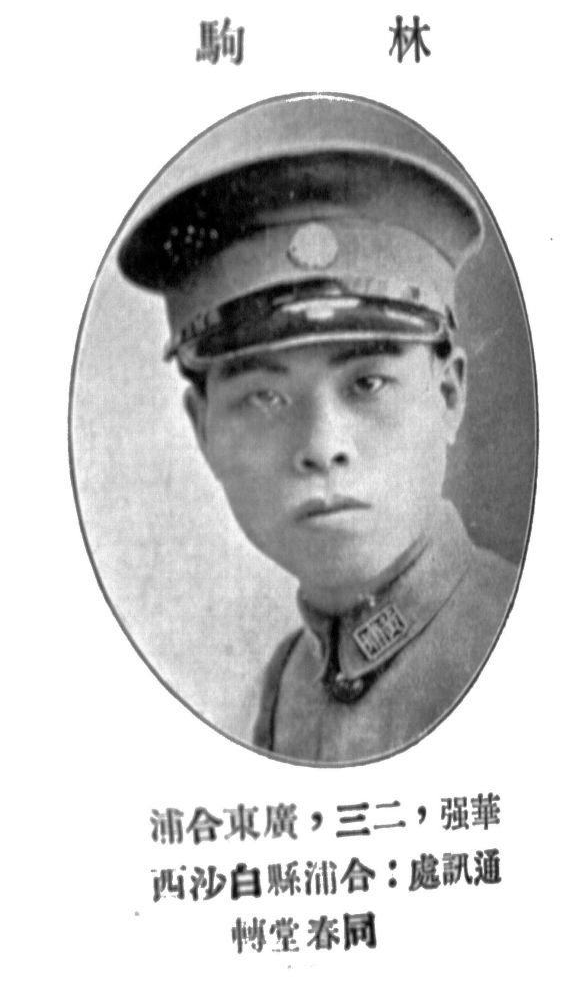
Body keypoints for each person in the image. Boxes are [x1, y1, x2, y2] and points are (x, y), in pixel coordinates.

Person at [118, 98, 519, 764]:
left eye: (368, 383)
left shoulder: (534, 637)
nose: (322, 446)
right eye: (266, 397)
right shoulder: (279, 690)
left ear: (448, 394)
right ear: (202, 428)